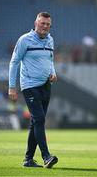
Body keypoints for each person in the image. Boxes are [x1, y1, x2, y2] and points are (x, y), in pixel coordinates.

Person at [8, 12, 58, 168]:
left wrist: (53, 72)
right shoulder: (24, 40)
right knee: (40, 119)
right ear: (36, 23)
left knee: (35, 121)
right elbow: (14, 62)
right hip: (30, 86)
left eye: (48, 24)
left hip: (45, 85)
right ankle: (46, 156)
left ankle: (28, 159)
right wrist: (11, 87)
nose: (45, 27)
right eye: (42, 23)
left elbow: (50, 60)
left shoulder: (50, 40)